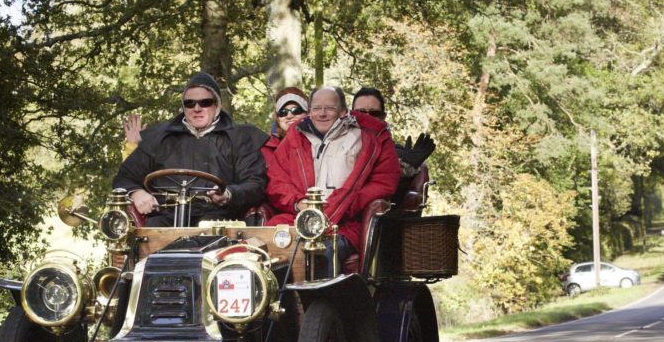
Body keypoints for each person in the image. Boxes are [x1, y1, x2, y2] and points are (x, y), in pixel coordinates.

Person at [265, 85, 400, 270]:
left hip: (345, 223)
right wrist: (298, 203)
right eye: (316, 108)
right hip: (299, 218)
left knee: (324, 253)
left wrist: (345, 206)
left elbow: (384, 182)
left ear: (343, 111)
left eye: (329, 108)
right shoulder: (295, 136)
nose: (322, 114)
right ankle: (273, 297)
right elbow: (277, 180)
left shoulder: (368, 136)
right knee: (266, 243)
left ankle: (318, 299)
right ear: (309, 111)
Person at [113, 73, 268, 226]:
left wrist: (228, 194)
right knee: (143, 238)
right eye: (190, 103)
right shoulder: (160, 138)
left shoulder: (239, 138)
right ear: (183, 107)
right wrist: (136, 193)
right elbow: (124, 177)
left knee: (213, 231)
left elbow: (256, 184)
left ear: (217, 105)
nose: (197, 108)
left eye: (205, 102)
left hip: (219, 220)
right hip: (165, 218)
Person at [351, 87, 435, 171]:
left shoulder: (399, 156)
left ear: (383, 117)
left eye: (374, 113)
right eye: (360, 112)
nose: (367, 117)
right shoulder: (338, 146)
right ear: (351, 115)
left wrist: (407, 167)